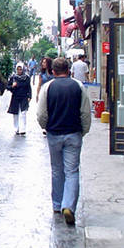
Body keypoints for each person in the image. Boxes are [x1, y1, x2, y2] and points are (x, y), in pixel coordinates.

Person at [37, 56, 92, 225]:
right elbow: (85, 112)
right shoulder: (79, 86)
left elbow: (41, 114)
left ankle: (57, 204)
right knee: (72, 171)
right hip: (73, 132)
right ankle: (69, 206)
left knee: (56, 169)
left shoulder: (48, 87)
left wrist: (46, 127)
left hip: (54, 133)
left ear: (53, 72)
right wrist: (83, 130)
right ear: (69, 70)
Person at [7, 61, 32, 135]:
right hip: (15, 97)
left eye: (20, 69)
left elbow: (29, 87)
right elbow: (8, 87)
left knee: (23, 112)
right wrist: (12, 86)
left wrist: (30, 96)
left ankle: (23, 129)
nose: (19, 71)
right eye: (18, 69)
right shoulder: (13, 77)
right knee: (15, 113)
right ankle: (16, 128)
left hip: (24, 96)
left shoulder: (26, 78)